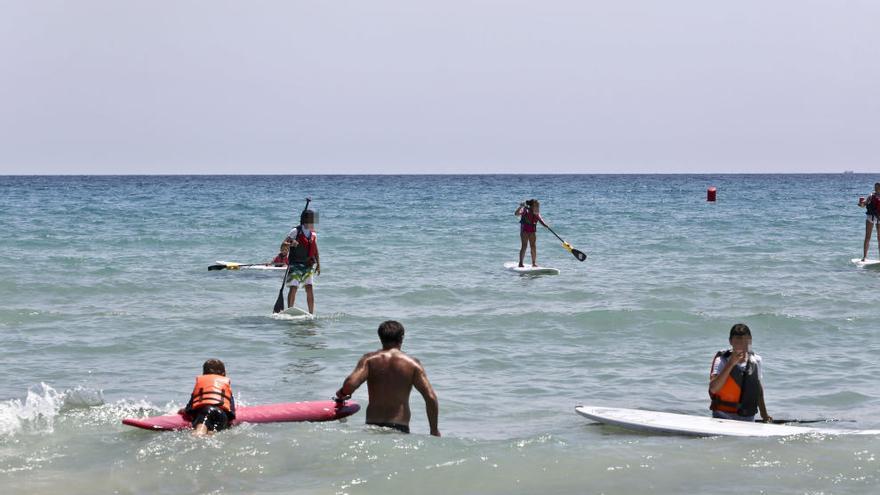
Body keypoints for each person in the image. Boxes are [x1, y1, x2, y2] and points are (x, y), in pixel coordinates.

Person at [335, 321, 440, 436]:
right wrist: (434, 430)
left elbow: (350, 385)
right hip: (399, 428)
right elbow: (430, 398)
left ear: (380, 337)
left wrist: (341, 393)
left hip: (373, 426)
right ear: (402, 338)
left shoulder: (369, 360)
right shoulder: (412, 364)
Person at [708, 324, 771, 422]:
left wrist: (764, 415)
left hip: (748, 418)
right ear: (730, 342)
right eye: (738, 341)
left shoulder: (756, 360)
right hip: (722, 416)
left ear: (750, 341)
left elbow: (758, 389)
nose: (741, 345)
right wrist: (731, 364)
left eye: (745, 341)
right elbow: (713, 389)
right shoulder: (721, 360)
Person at [184, 359, 236, 436]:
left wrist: (184, 411)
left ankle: (199, 433)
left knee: (199, 431)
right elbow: (231, 413)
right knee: (211, 434)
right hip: (221, 415)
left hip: (205, 411)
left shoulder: (201, 385)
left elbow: (189, 409)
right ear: (224, 373)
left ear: (204, 373)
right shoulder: (225, 387)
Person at [284, 209, 320, 313]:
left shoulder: (313, 234)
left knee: (309, 288)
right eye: (311, 219)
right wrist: (291, 243)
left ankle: (311, 313)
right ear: (305, 219)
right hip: (295, 264)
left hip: (308, 264)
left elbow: (315, 249)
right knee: (294, 287)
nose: (313, 221)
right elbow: (283, 246)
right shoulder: (295, 231)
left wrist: (318, 264)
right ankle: (290, 310)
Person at [515, 199, 549, 267]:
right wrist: (520, 207)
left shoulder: (536, 212)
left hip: (532, 231)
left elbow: (540, 220)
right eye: (537, 205)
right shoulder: (525, 210)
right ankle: (521, 263)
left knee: (533, 246)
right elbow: (516, 214)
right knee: (524, 246)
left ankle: (533, 263)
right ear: (532, 206)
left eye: (538, 205)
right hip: (524, 230)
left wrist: (545, 225)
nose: (538, 206)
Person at [858, 182, 880, 261]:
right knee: (867, 237)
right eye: (875, 187)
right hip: (870, 217)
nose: (876, 189)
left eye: (877, 187)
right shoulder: (871, 196)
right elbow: (864, 205)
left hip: (879, 218)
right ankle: (865, 257)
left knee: (879, 238)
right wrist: (861, 204)